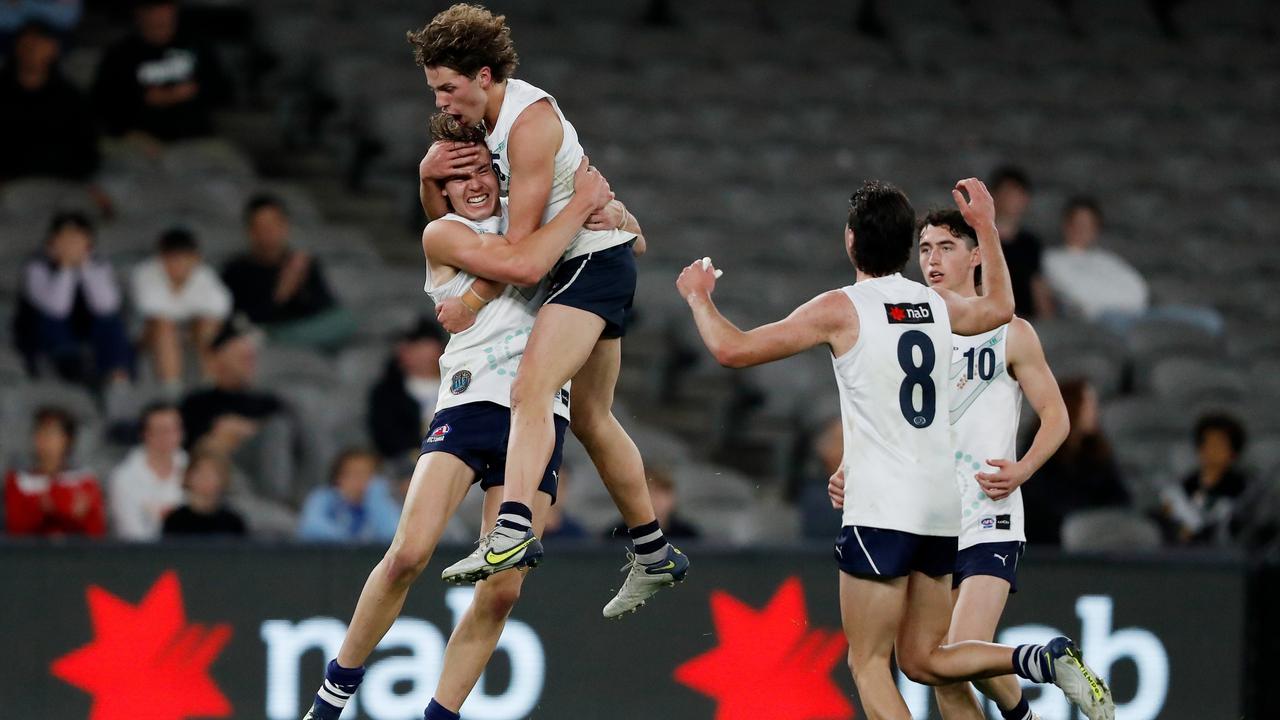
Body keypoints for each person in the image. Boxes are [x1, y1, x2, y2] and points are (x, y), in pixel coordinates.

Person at [675, 178, 1113, 720]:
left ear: (851, 240)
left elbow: (732, 349)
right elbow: (1001, 305)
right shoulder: (934, 304)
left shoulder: (842, 307)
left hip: (882, 505)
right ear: (909, 248)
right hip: (941, 509)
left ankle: (1034, 663)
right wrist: (987, 229)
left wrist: (697, 296)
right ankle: (1037, 660)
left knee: (868, 664)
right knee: (925, 661)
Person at [299, 113, 615, 720]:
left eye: (482, 172)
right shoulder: (443, 234)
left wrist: (611, 214)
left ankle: (439, 715)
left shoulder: (535, 219)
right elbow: (523, 265)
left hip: (541, 413)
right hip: (469, 404)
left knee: (502, 592)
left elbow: (631, 242)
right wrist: (581, 209)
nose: (475, 186)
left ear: (501, 173)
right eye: (458, 175)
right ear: (441, 190)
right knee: (410, 554)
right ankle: (333, 695)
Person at [412, 5, 688, 612]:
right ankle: (654, 552)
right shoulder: (487, 123)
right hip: (598, 258)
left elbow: (521, 258)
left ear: (484, 76)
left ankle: (510, 530)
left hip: (585, 265)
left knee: (530, 390)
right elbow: (479, 231)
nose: (443, 103)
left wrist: (476, 297)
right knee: (592, 417)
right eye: (434, 90)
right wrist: (428, 181)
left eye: (448, 89)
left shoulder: (526, 125)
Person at [832, 207, 1071, 720]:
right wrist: (853, 467)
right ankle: (1027, 700)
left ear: (976, 255)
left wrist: (1023, 469)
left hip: (989, 510)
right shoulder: (912, 322)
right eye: (924, 249)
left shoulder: (1009, 331)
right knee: (937, 667)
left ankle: (1035, 677)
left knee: (956, 650)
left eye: (946, 247)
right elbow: (890, 414)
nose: (933, 260)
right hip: (929, 512)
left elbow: (1056, 417)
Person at [12, 212, 133, 393]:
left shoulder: (99, 264)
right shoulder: (36, 266)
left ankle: (117, 377)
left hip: (87, 327)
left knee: (111, 320)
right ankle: (71, 373)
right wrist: (66, 267)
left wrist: (84, 266)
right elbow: (56, 309)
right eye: (65, 239)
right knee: (51, 320)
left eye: (77, 239)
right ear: (53, 241)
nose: (71, 244)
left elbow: (107, 306)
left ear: (88, 242)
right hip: (47, 331)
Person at [178, 316, 294, 503]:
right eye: (242, 357)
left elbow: (287, 435)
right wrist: (216, 438)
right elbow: (184, 446)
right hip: (212, 475)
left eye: (250, 358)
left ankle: (274, 500)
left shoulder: (268, 402)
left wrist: (244, 429)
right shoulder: (195, 403)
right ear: (217, 360)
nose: (249, 363)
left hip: (259, 475)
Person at [221, 194, 355, 351]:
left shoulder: (303, 263)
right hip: (265, 331)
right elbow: (240, 318)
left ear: (285, 226)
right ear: (251, 232)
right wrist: (282, 292)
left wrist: (302, 286)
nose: (269, 233)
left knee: (345, 319)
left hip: (302, 329)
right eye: (262, 227)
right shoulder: (236, 270)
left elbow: (325, 306)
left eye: (274, 225)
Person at [91, 0, 229, 142]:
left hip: (197, 138)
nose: (161, 16)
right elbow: (103, 106)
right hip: (142, 143)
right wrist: (147, 100)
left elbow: (223, 90)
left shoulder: (195, 45)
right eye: (153, 10)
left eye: (167, 8)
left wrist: (188, 92)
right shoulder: (120, 55)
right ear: (139, 15)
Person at [1024, 378, 1130, 546]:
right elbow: (1040, 504)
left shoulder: (1096, 452)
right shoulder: (1038, 451)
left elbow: (1120, 497)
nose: (1094, 412)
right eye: (1088, 405)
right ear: (1070, 406)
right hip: (1048, 543)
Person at [130, 226, 232, 395]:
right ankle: (172, 389)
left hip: (192, 332)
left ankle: (211, 384)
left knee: (208, 324)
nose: (177, 265)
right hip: (148, 334)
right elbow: (149, 308)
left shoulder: (205, 275)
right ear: (161, 258)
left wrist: (189, 318)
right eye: (172, 259)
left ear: (195, 258)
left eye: (183, 259)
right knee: (164, 324)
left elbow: (222, 307)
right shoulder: (144, 273)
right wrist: (189, 309)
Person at [0, 21, 101, 188]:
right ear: (16, 47)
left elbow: (86, 152)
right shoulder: (4, 92)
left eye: (40, 44)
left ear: (54, 49)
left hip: (60, 182)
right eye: (27, 44)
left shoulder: (70, 98)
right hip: (8, 183)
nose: (32, 50)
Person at [1042, 197, 1148, 325]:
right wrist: (1120, 300)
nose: (1082, 229)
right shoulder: (1052, 259)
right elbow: (1079, 297)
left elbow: (1138, 290)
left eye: (1089, 224)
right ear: (1067, 225)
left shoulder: (1106, 258)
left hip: (1135, 313)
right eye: (1078, 223)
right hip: (1102, 321)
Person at [4, 406, 106, 537]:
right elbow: (16, 529)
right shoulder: (18, 481)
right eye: (40, 432)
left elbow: (97, 532)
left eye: (52, 433)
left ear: (67, 440)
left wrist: (55, 513)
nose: (45, 440)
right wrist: (52, 513)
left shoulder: (85, 482)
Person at [1157, 413, 1249, 547]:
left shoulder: (1245, 492)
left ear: (1233, 453)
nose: (1212, 450)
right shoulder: (1179, 491)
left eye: (1220, 445)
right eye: (1208, 444)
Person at [367, 317, 446, 460]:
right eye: (404, 346)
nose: (408, 351)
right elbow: (387, 438)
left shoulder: (459, 382)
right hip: (410, 464)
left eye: (419, 344)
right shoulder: (387, 394)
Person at [107, 401, 186, 541]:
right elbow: (130, 533)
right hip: (143, 557)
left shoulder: (193, 468)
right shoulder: (123, 477)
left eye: (175, 429)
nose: (170, 437)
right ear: (145, 434)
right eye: (162, 430)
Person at [989, 166, 1053, 319]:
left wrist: (1049, 320)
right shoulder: (977, 238)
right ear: (994, 196)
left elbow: (1038, 286)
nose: (1013, 200)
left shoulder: (1030, 242)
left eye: (1018, 194)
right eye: (1008, 193)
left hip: (1026, 320)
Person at [297, 449, 401, 543]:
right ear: (338, 478)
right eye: (353, 474)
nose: (359, 480)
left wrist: (376, 498)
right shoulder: (322, 497)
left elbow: (394, 535)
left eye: (366, 474)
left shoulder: (381, 500)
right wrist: (350, 541)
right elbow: (309, 528)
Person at [161, 449, 247, 537]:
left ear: (222, 479)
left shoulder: (233, 523)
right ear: (188, 477)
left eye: (212, 474)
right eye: (201, 473)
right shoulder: (174, 521)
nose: (206, 479)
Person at [606, 466, 700, 541]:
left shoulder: (688, 535)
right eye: (651, 492)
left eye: (663, 493)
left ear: (673, 498)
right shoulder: (617, 535)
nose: (658, 499)